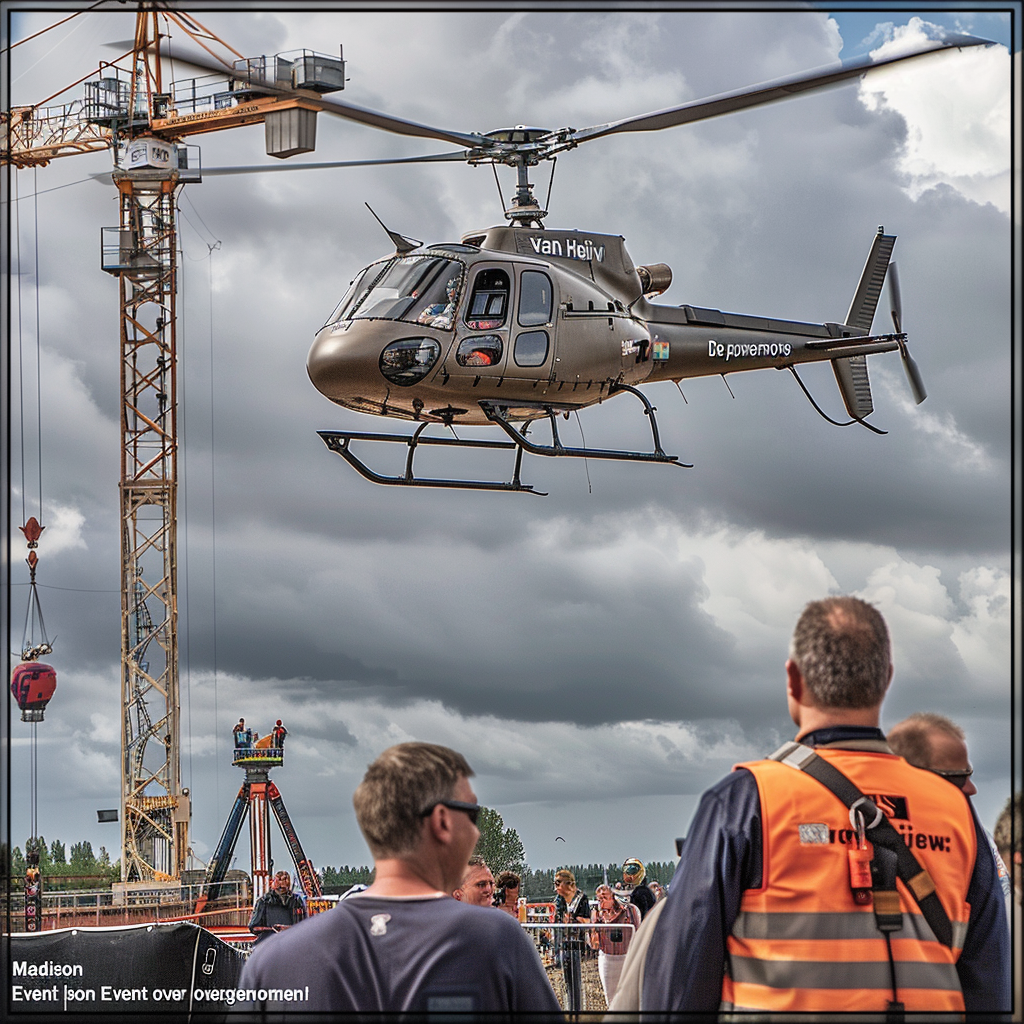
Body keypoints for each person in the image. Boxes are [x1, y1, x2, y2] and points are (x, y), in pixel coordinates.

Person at [618, 596, 1009, 1015]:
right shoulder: (954, 813)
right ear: (886, 679)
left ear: (793, 678)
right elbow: (989, 986)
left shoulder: (744, 803)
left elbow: (679, 986)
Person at [238, 742, 560, 1015]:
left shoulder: (272, 964)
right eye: (471, 815)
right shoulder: (497, 941)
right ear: (441, 823)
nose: (475, 832)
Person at [888, 712, 1013, 904]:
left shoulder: (976, 837)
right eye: (959, 777)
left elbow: (1001, 908)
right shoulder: (862, 834)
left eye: (970, 775)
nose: (972, 789)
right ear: (916, 777)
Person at [589, 883, 640, 1005]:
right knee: (611, 998)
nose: (601, 902)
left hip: (627, 957)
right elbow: (594, 944)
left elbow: (638, 932)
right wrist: (593, 927)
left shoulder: (629, 910)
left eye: (604, 898)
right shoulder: (597, 914)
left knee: (630, 997)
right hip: (607, 958)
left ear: (613, 897)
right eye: (598, 899)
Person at [553, 868, 590, 1014]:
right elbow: (558, 922)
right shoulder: (559, 900)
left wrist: (573, 919)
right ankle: (569, 1010)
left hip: (578, 944)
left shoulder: (581, 898)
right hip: (563, 943)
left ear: (568, 884)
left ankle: (578, 1011)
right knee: (567, 982)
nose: (556, 888)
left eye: (558, 883)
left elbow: (587, 920)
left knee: (576, 982)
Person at [248, 870, 306, 944]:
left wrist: (286, 929)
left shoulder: (296, 901)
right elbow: (254, 927)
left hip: (293, 944)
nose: (281, 887)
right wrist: (272, 929)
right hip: (269, 944)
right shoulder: (264, 901)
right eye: (279, 884)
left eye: (284, 885)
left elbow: (303, 926)